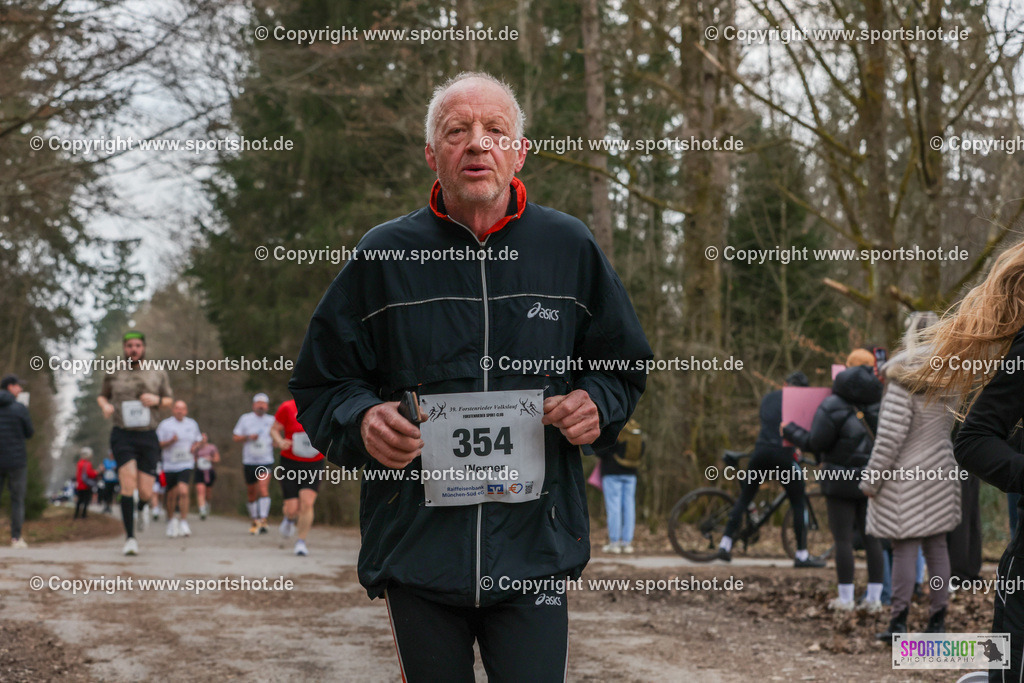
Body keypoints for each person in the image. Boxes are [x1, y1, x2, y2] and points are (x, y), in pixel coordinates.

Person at [289, 71, 651, 681]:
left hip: (536, 548)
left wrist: (598, 403)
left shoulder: (569, 246)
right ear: (433, 155)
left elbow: (622, 365)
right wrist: (362, 419)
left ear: (519, 151)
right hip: (418, 549)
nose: (477, 143)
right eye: (457, 131)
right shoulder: (384, 256)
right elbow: (322, 384)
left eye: (494, 130)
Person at [905, 239, 1024, 680]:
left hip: (930, 476)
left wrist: (876, 477)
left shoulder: (910, 384)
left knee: (928, 541)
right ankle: (928, 621)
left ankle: (921, 618)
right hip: (946, 474)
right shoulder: (925, 383)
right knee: (941, 540)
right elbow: (973, 435)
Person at [860, 312, 959, 639]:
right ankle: (937, 622)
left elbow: (889, 439)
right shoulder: (953, 378)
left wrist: (871, 481)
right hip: (942, 470)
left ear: (911, 337)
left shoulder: (902, 379)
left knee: (905, 547)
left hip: (907, 476)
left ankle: (898, 621)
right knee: (937, 547)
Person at [783, 349, 886, 611]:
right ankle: (874, 599)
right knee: (872, 538)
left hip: (838, 479)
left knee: (842, 540)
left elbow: (815, 442)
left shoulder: (832, 404)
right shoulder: (881, 403)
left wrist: (790, 430)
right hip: (871, 478)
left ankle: (846, 598)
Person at [718, 371, 826, 568]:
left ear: (785, 383)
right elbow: (811, 435)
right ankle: (801, 555)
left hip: (760, 452)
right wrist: (819, 459)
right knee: (798, 503)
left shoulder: (769, 398)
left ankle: (724, 544)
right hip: (784, 456)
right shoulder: (802, 403)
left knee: (745, 497)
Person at [97, 330, 173, 555]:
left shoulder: (157, 372)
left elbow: (169, 400)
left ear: (144, 347)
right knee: (127, 484)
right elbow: (103, 395)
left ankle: (142, 507)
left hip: (148, 435)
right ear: (124, 348)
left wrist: (157, 400)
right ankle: (130, 538)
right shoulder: (113, 372)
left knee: (147, 492)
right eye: (129, 345)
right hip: (122, 434)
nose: (133, 349)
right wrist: (105, 406)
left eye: (138, 345)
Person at [271, 398, 324, 556]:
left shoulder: (323, 405)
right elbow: (274, 429)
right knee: (292, 508)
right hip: (290, 463)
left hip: (314, 463)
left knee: (307, 503)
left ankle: (301, 542)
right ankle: (289, 518)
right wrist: (280, 441)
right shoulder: (287, 407)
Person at [595, 418, 643, 554]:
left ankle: (614, 542)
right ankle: (627, 543)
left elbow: (600, 451)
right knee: (629, 507)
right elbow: (642, 449)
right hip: (631, 474)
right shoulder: (635, 430)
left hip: (611, 473)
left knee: (614, 508)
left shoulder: (615, 428)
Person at [156, 400, 202, 538]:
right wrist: (170, 441)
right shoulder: (165, 425)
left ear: (186, 411)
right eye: (177, 408)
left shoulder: (192, 424)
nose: (179, 411)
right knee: (171, 495)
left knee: (183, 491)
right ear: (173, 410)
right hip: (170, 464)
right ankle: (170, 520)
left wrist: (197, 446)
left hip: (185, 463)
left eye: (182, 409)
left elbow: (198, 440)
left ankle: (183, 521)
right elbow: (157, 444)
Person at [233, 393, 275, 534]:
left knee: (263, 488)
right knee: (251, 492)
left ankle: (263, 519)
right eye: (259, 403)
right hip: (249, 461)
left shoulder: (272, 420)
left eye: (264, 404)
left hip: (266, 460)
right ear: (253, 405)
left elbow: (277, 437)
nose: (261, 406)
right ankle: (255, 519)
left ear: (267, 406)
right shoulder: (245, 419)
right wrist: (248, 437)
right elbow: (236, 437)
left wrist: (278, 442)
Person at [0, 374, 34, 548]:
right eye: (18, 386)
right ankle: (16, 538)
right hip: (17, 461)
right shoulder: (20, 408)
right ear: (10, 387)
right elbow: (29, 432)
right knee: (17, 500)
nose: (20, 389)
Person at [193, 433, 220, 520]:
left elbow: (217, 458)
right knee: (200, 490)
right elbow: (191, 457)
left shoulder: (212, 447)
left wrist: (210, 459)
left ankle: (207, 504)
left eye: (204, 438)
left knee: (208, 492)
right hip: (199, 471)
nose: (202, 440)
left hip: (209, 471)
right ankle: (202, 510)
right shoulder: (196, 447)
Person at [73, 447, 101, 519]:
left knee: (79, 500)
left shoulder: (79, 463)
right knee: (86, 500)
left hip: (79, 485)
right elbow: (90, 473)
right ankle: (83, 515)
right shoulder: (87, 464)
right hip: (86, 485)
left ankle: (76, 515)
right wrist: (97, 471)